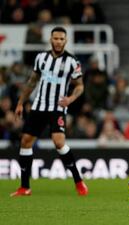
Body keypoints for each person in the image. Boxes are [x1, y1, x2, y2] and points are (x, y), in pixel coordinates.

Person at [10, 26, 88, 197]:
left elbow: (80, 86)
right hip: (39, 105)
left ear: (65, 41)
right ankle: (25, 187)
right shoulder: (41, 58)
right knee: (25, 141)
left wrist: (71, 99)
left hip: (58, 107)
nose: (58, 41)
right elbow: (32, 82)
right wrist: (21, 102)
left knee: (58, 141)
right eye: (56, 38)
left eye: (61, 39)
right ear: (51, 40)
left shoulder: (72, 62)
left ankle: (79, 182)